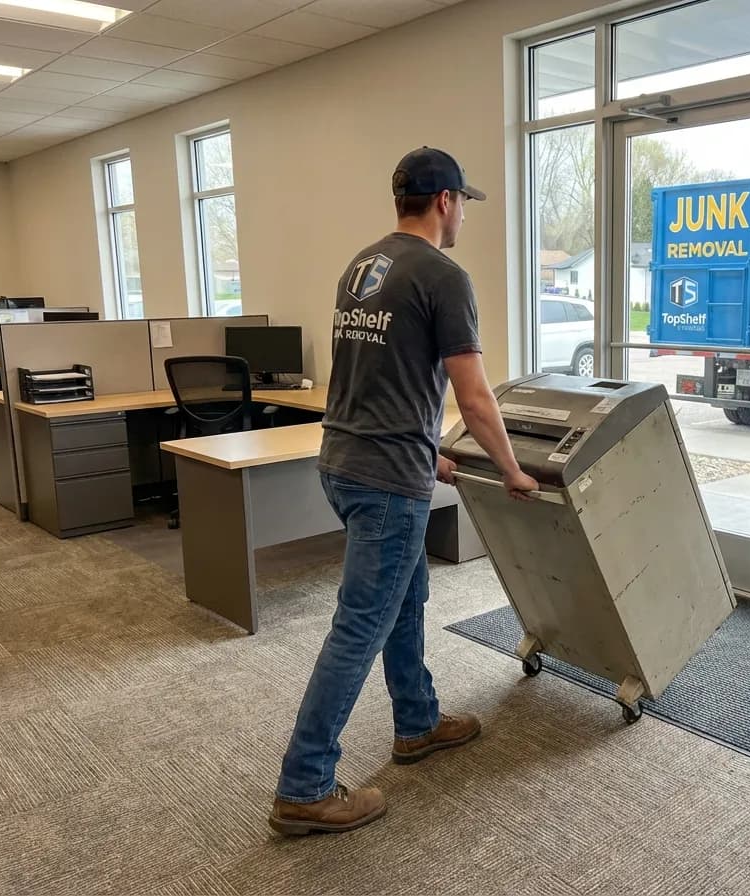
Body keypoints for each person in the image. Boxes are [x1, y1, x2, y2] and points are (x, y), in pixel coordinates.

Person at [269, 147, 539, 836]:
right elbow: (474, 396)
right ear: (446, 201)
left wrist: (429, 454)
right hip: (386, 478)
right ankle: (304, 785)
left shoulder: (361, 269)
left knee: (405, 595)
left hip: (346, 459)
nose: (462, 217)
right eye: (463, 205)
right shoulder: (444, 275)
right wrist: (509, 469)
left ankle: (416, 723)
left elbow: (375, 379)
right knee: (361, 623)